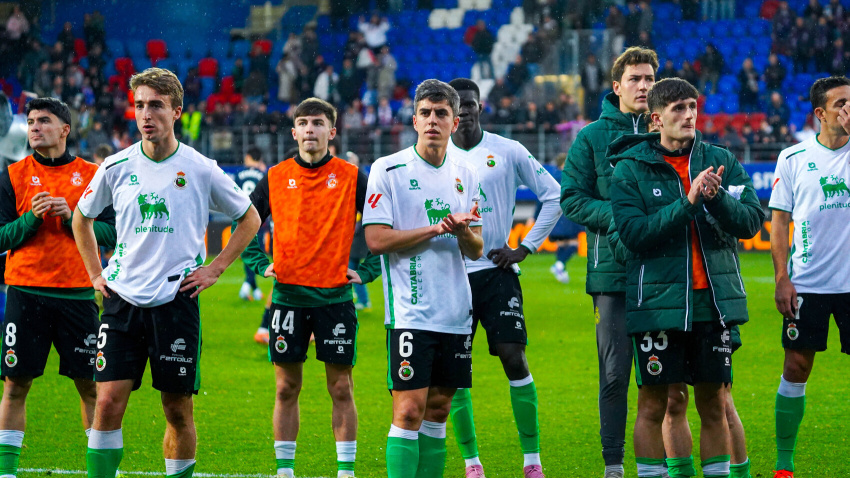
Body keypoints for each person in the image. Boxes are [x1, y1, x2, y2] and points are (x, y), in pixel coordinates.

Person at [72, 68, 261, 478]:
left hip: (176, 302)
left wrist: (216, 267)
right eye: (139, 105)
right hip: (121, 301)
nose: (145, 114)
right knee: (105, 404)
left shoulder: (200, 167)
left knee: (176, 409)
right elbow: (81, 218)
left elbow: (249, 217)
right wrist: (94, 274)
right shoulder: (116, 165)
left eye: (155, 105)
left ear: (176, 111)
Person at [608, 77, 764, 478]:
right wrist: (689, 202)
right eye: (678, 109)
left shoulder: (722, 160)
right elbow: (633, 234)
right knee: (655, 403)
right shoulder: (630, 169)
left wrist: (717, 197)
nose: (689, 115)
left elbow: (751, 222)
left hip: (712, 305)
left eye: (693, 107)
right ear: (656, 118)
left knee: (713, 402)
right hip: (657, 307)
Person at [240, 98, 374, 478]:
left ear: (332, 132)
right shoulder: (275, 176)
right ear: (294, 131)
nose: (310, 129)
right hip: (288, 300)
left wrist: (369, 268)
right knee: (286, 388)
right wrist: (260, 264)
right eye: (304, 123)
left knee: (342, 388)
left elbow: (384, 223)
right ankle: (285, 471)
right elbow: (245, 223)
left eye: (318, 123)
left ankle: (345, 472)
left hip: (335, 298)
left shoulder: (352, 176)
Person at [362, 79, 483, 478]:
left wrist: (462, 231)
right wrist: (435, 229)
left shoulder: (467, 171)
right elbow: (376, 239)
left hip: (456, 312)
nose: (433, 120)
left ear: (454, 121)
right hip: (411, 312)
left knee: (439, 409)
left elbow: (477, 249)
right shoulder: (388, 169)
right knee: (409, 409)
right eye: (426, 113)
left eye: (442, 114)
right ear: (414, 120)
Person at [444, 78, 560, 478]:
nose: (464, 113)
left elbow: (554, 195)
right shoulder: (432, 157)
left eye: (470, 105)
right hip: (452, 275)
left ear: (480, 108)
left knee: (514, 357)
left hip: (497, 272)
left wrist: (524, 247)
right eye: (456, 107)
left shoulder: (507, 151)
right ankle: (472, 463)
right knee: (456, 368)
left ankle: (532, 461)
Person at [0, 98, 115, 478]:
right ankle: (6, 471)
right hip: (25, 293)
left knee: (91, 387)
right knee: (16, 385)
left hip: (77, 295)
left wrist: (72, 219)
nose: (34, 127)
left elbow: (113, 232)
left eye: (44, 121)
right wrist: (31, 219)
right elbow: (1, 237)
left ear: (65, 130)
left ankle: (99, 471)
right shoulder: (12, 175)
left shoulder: (92, 175)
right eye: (31, 121)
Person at [560, 46, 658, 478]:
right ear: (616, 86)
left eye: (649, 79)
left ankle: (658, 466)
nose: (643, 86)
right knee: (616, 374)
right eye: (635, 79)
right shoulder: (592, 137)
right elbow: (571, 199)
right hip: (611, 277)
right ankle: (614, 466)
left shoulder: (666, 131)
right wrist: (620, 218)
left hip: (662, 275)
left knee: (662, 379)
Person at [768, 76, 850, 478]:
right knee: (796, 368)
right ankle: (784, 464)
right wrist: (782, 277)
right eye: (841, 103)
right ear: (820, 113)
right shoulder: (794, 157)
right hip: (810, 284)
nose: (847, 109)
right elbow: (779, 222)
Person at [235, 145, 268, 303]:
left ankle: (253, 289)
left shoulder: (239, 175)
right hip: (257, 220)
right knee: (255, 253)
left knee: (247, 253)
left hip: (242, 219)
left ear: (248, 157)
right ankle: (248, 286)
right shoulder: (262, 174)